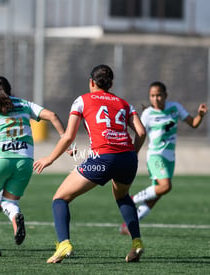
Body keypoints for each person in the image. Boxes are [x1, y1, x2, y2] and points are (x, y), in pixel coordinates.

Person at [33, 64, 147, 263]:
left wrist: (49, 158)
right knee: (122, 196)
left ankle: (64, 244)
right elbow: (142, 132)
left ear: (91, 82)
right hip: (127, 158)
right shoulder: (124, 103)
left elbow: (69, 137)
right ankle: (136, 242)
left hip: (103, 158)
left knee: (60, 198)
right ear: (111, 84)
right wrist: (132, 154)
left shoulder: (82, 100)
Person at [0, 76, 66, 257]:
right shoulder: (24, 104)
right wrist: (64, 139)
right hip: (24, 160)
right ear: (10, 89)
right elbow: (52, 116)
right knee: (9, 201)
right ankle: (15, 217)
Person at [119, 81, 208, 235]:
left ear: (165, 95)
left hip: (169, 159)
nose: (156, 98)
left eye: (159, 95)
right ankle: (132, 200)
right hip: (155, 156)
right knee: (166, 186)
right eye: (152, 96)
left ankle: (130, 224)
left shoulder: (174, 108)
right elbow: (139, 133)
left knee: (157, 194)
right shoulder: (147, 114)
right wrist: (133, 153)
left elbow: (193, 124)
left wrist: (200, 115)